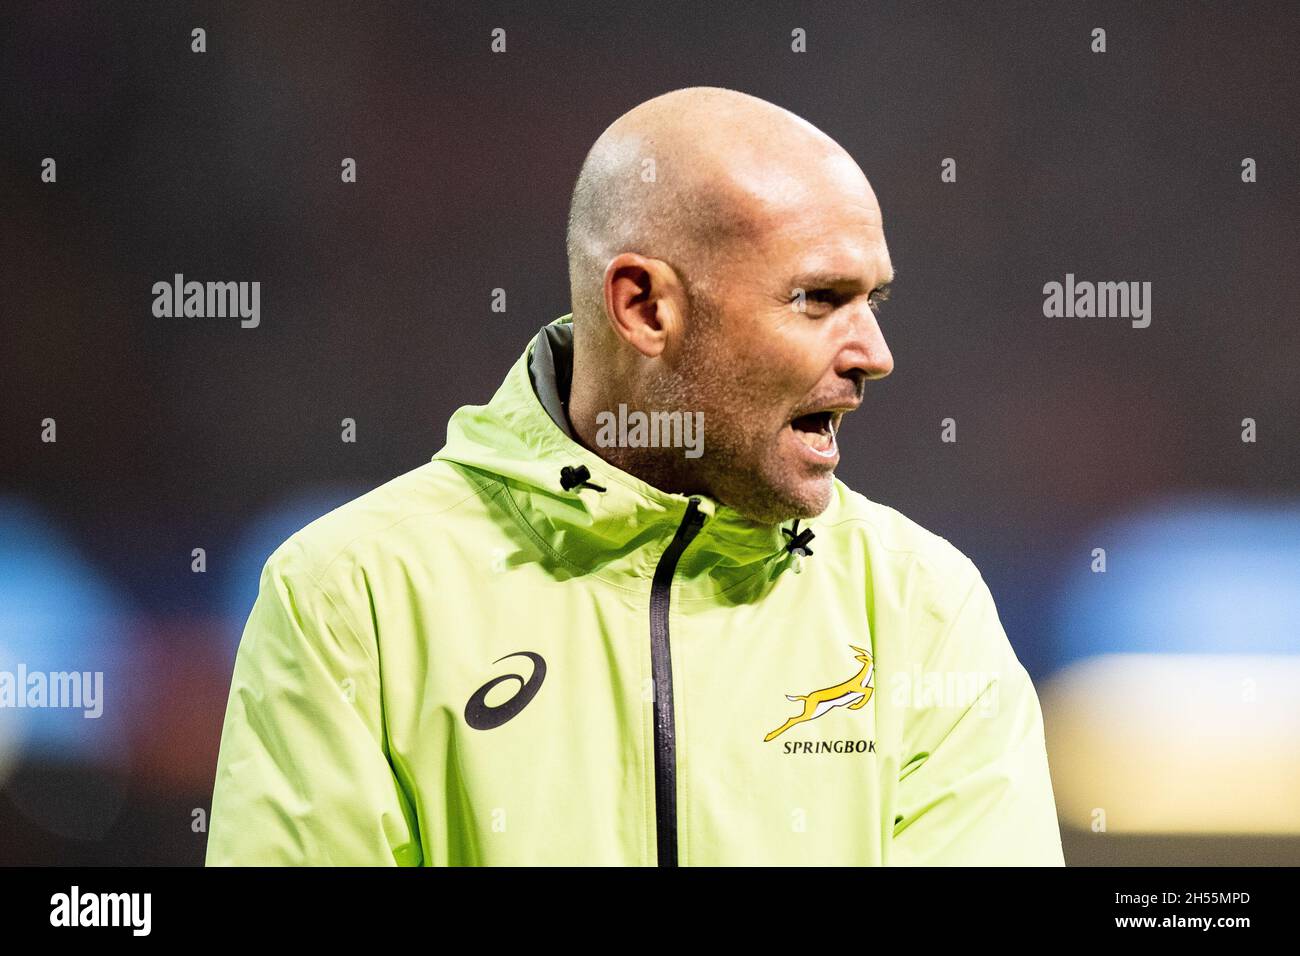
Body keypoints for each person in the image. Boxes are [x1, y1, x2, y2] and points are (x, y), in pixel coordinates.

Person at [206, 86, 1065, 866]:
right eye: (816, 299)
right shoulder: (353, 599)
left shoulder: (924, 609)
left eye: (871, 303)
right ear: (645, 307)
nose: (874, 356)